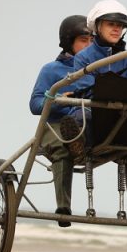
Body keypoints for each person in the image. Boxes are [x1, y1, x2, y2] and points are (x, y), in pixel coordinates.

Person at [64, 0, 127, 228]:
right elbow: (86, 88)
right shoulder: (84, 57)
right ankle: (77, 142)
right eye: (111, 24)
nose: (116, 29)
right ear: (97, 26)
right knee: (83, 115)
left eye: (120, 26)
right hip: (92, 115)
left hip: (118, 120)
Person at [29, 15, 94, 226]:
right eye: (84, 40)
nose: (89, 45)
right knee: (62, 147)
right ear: (69, 41)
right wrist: (58, 101)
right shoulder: (51, 70)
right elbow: (35, 104)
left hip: (88, 125)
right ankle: (64, 207)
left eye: (92, 41)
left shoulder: (98, 70)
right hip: (55, 127)